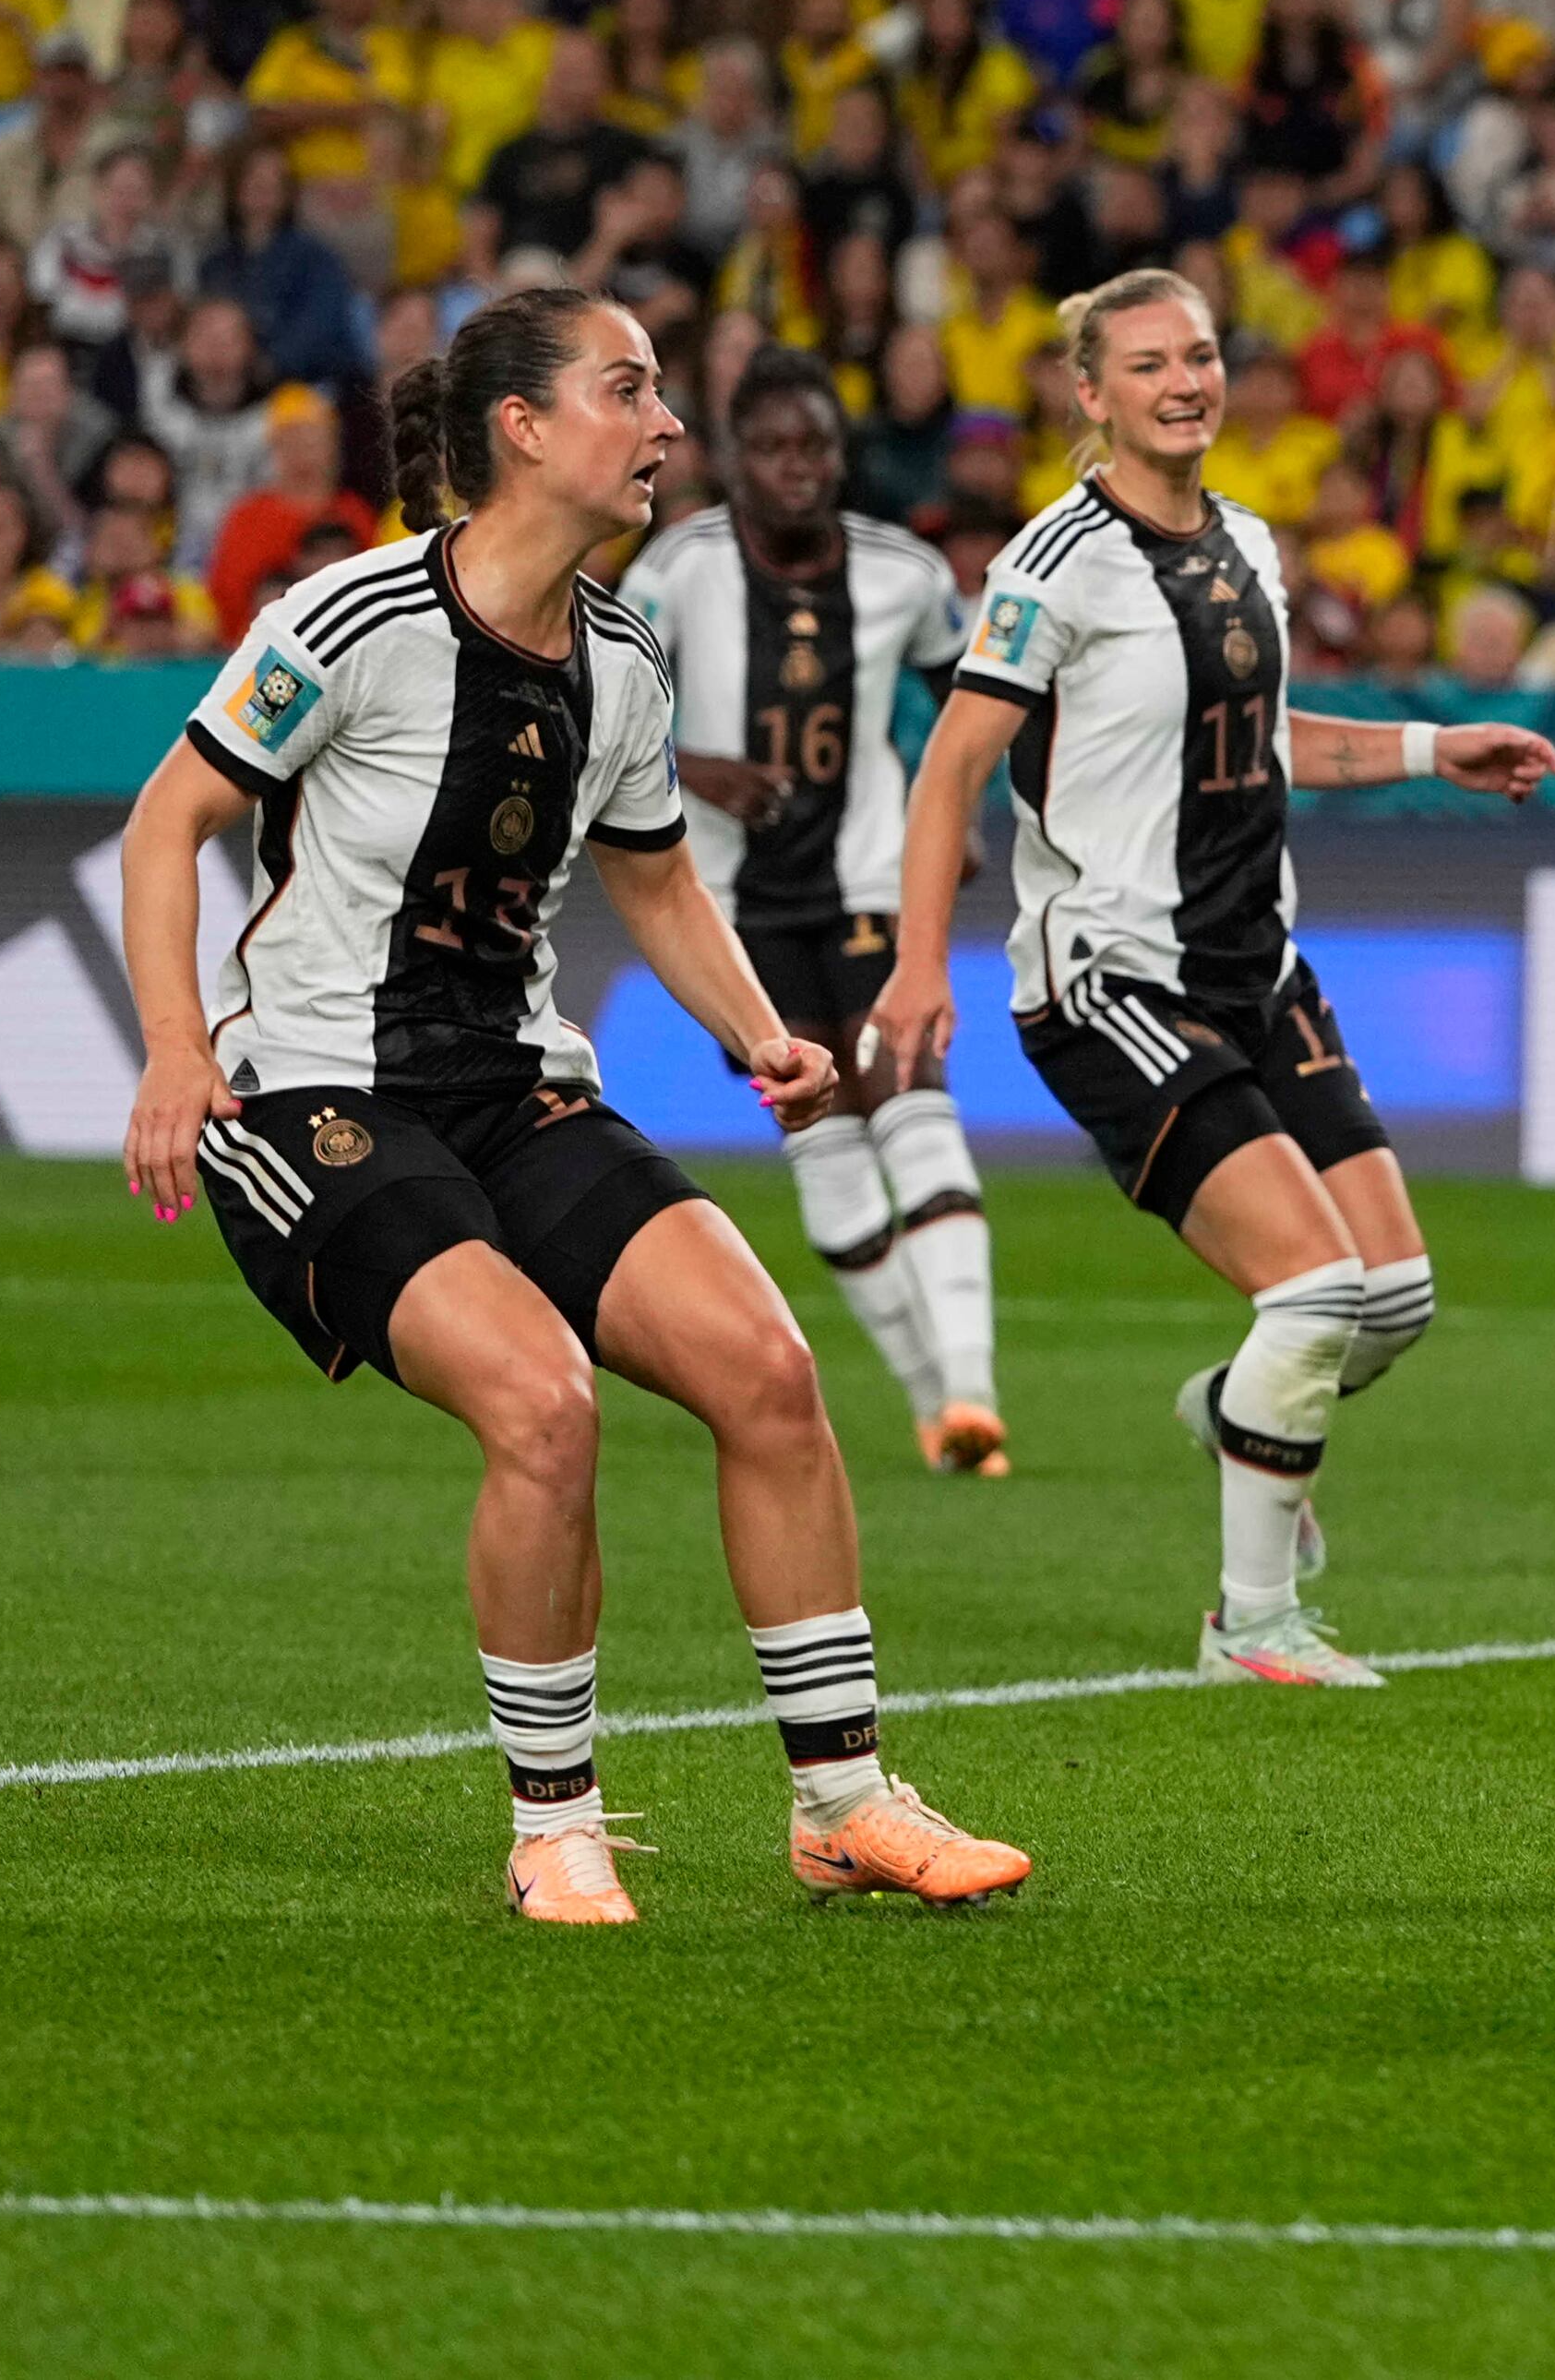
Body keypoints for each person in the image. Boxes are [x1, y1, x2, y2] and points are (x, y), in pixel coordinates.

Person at [109, 284, 1029, 1927]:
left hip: (516, 1082)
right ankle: (556, 1821)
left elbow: (658, 878)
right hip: (319, 1096)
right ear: (523, 428)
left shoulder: (620, 653)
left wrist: (765, 1034)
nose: (668, 422)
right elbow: (166, 818)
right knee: (545, 1403)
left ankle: (844, 1801)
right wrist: (181, 1049)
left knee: (767, 1367)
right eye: (633, 390)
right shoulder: (352, 620)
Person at [876, 272, 1555, 1689]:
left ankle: (1238, 1410)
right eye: (1148, 363)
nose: (1186, 381)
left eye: (1199, 354)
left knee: (1397, 1295)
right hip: (1112, 976)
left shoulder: (1248, 539)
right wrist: (913, 964)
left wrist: (1439, 749)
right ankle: (1249, 1625)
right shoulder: (1052, 562)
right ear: (1093, 395)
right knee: (1314, 1293)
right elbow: (949, 769)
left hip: (1261, 965)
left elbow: (1264, 732)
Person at [623, 351, 1004, 1475]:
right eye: (775, 449)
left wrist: (954, 818)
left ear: (842, 459)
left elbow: (971, 698)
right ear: (734, 458)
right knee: (823, 1137)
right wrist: (696, 766)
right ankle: (939, 1406)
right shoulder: (677, 567)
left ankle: (976, 1388)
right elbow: (603, 694)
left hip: (874, 882)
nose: (797, 469)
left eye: (816, 449)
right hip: (728, 908)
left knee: (907, 1096)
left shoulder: (905, 572)